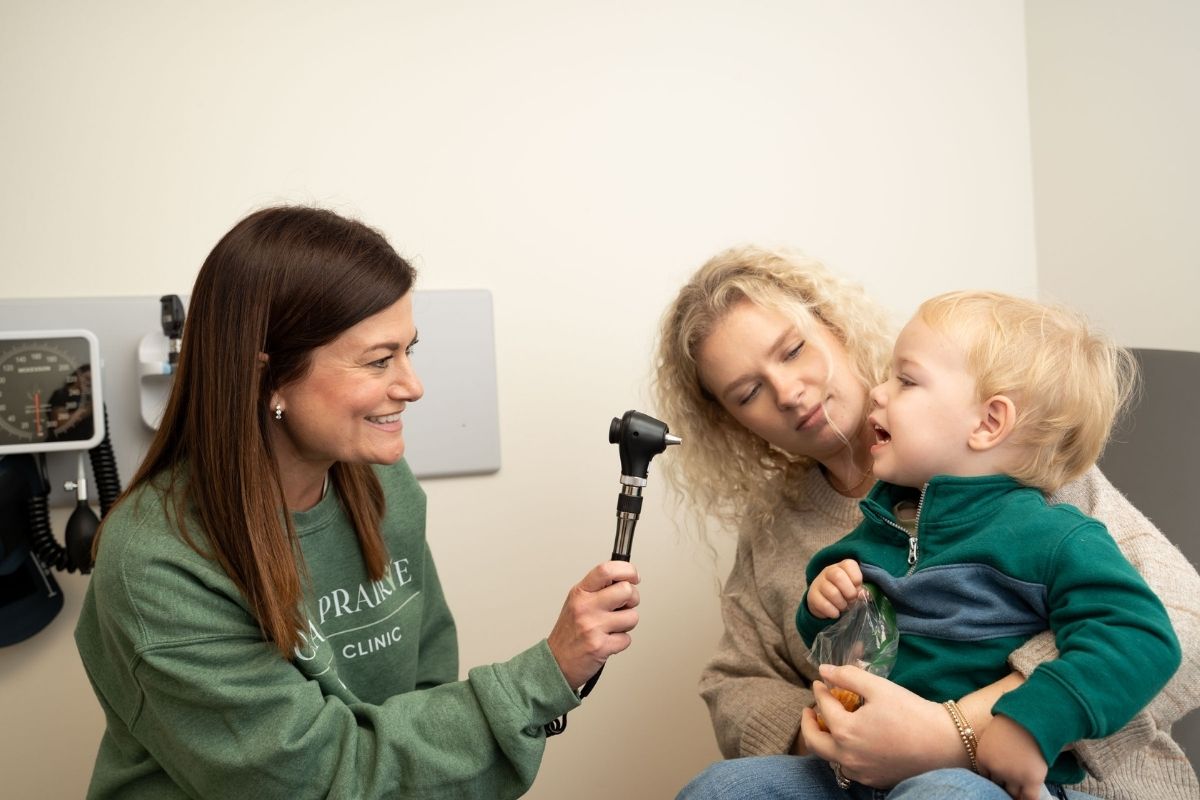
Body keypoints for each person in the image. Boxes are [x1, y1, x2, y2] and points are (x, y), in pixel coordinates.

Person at [73, 206, 641, 800]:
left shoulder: (381, 486)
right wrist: (544, 675)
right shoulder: (157, 563)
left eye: (408, 351)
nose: (412, 385)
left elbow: (425, 691)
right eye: (378, 360)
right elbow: (314, 779)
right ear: (267, 377)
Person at [654, 246, 1200, 799]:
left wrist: (964, 729)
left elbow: (1175, 619)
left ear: (835, 328)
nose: (789, 393)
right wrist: (834, 726)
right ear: (732, 422)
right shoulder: (784, 523)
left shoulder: (1019, 467)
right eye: (748, 392)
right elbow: (737, 680)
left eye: (794, 350)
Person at [795, 290, 1180, 799]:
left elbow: (1140, 636)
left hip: (983, 782)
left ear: (989, 422)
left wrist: (1028, 723)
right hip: (864, 778)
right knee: (727, 786)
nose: (877, 393)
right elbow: (837, 645)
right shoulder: (878, 529)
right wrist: (822, 604)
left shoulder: (1053, 536)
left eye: (905, 380)